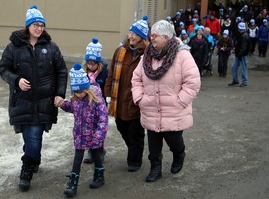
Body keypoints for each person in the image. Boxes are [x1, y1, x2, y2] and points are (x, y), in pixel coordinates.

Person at [0, 5, 68, 191]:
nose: (39, 28)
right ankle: (33, 158)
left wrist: (60, 93)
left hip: (44, 101)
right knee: (29, 137)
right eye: (36, 24)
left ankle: (26, 170)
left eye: (42, 25)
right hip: (22, 101)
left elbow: (61, 71)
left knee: (35, 135)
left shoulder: (51, 47)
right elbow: (3, 68)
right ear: (28, 26)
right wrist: (16, 80)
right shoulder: (14, 47)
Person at [131, 20, 201, 182]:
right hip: (150, 108)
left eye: (155, 36)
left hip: (173, 110)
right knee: (153, 143)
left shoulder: (182, 55)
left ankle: (179, 155)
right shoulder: (147, 56)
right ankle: (156, 168)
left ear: (166, 37)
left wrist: (180, 102)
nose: (151, 38)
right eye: (151, 35)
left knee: (174, 141)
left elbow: (193, 82)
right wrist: (140, 98)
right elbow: (136, 79)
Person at [104, 16, 149, 172]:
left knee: (135, 132)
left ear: (142, 38)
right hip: (119, 99)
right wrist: (108, 92)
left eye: (135, 34)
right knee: (121, 126)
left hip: (136, 101)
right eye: (130, 33)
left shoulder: (147, 54)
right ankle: (134, 149)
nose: (131, 36)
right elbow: (111, 74)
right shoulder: (120, 51)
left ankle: (134, 159)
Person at [60, 63, 108, 197]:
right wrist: (63, 104)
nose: (79, 95)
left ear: (87, 89)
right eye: (76, 92)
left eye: (81, 92)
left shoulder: (97, 99)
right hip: (80, 135)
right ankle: (72, 184)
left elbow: (103, 119)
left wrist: (99, 136)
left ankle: (99, 175)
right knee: (77, 159)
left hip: (93, 135)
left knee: (96, 155)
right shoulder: (76, 98)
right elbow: (72, 107)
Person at [83, 37, 108, 164]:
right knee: (88, 128)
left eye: (93, 64)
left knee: (99, 128)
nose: (90, 66)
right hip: (87, 105)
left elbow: (106, 87)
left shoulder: (104, 73)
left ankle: (99, 150)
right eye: (89, 63)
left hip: (100, 104)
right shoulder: (83, 74)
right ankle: (91, 151)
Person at [228, 22, 251, 87]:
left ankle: (244, 82)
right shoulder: (243, 35)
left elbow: (243, 48)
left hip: (241, 55)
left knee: (243, 68)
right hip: (239, 54)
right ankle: (236, 80)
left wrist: (239, 54)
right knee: (234, 67)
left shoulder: (243, 36)